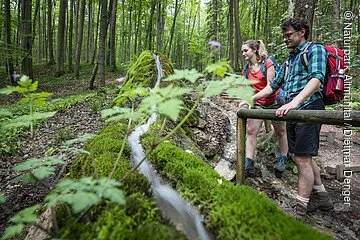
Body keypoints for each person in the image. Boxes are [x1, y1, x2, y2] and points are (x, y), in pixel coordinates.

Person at [249, 18, 334, 220]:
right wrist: (249, 98)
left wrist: (294, 102)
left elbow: (316, 78)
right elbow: (272, 86)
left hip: (309, 108)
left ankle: (300, 210)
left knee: (302, 159)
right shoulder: (290, 61)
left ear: (302, 32)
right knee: (300, 156)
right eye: (284, 35)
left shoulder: (315, 50)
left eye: (288, 35)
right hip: (292, 111)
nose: (285, 39)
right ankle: (322, 196)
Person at [240, 40, 288, 177]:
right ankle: (248, 162)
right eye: (242, 51)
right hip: (258, 103)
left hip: (274, 101)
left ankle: (283, 159)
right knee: (251, 131)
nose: (243, 53)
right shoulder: (246, 70)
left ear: (254, 50)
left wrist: (251, 99)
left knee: (281, 132)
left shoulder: (268, 63)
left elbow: (270, 88)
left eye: (246, 50)